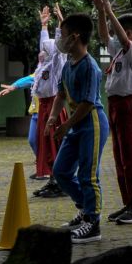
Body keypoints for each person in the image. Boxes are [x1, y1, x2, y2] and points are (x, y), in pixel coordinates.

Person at [45, 13, 110, 243]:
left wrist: (65, 125)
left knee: (87, 174)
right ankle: (85, 208)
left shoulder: (90, 66)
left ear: (75, 37)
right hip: (74, 125)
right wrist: (53, 117)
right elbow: (61, 94)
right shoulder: (67, 66)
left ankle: (93, 223)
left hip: (91, 122)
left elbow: (88, 103)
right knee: (61, 171)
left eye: (62, 35)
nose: (60, 40)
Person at [95, 0, 132, 225]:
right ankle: (129, 203)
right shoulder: (117, 52)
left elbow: (122, 39)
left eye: (119, 32)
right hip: (115, 105)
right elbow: (103, 36)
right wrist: (101, 13)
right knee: (120, 158)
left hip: (130, 105)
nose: (114, 37)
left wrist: (110, 12)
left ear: (128, 33)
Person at [32, 4, 67, 196]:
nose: (42, 51)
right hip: (44, 107)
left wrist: (61, 22)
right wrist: (44, 26)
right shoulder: (43, 65)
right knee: (45, 146)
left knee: (55, 147)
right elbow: (44, 44)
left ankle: (60, 184)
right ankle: (53, 180)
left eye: (46, 49)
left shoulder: (56, 63)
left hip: (53, 106)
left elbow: (59, 45)